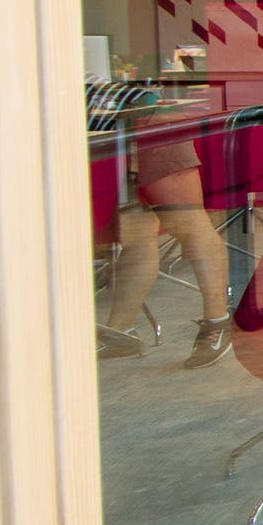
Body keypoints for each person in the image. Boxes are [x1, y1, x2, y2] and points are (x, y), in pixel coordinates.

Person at [89, 76, 233, 368]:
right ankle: (120, 332)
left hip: (148, 118)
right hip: (112, 132)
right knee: (137, 235)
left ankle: (217, 322)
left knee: (188, 224)